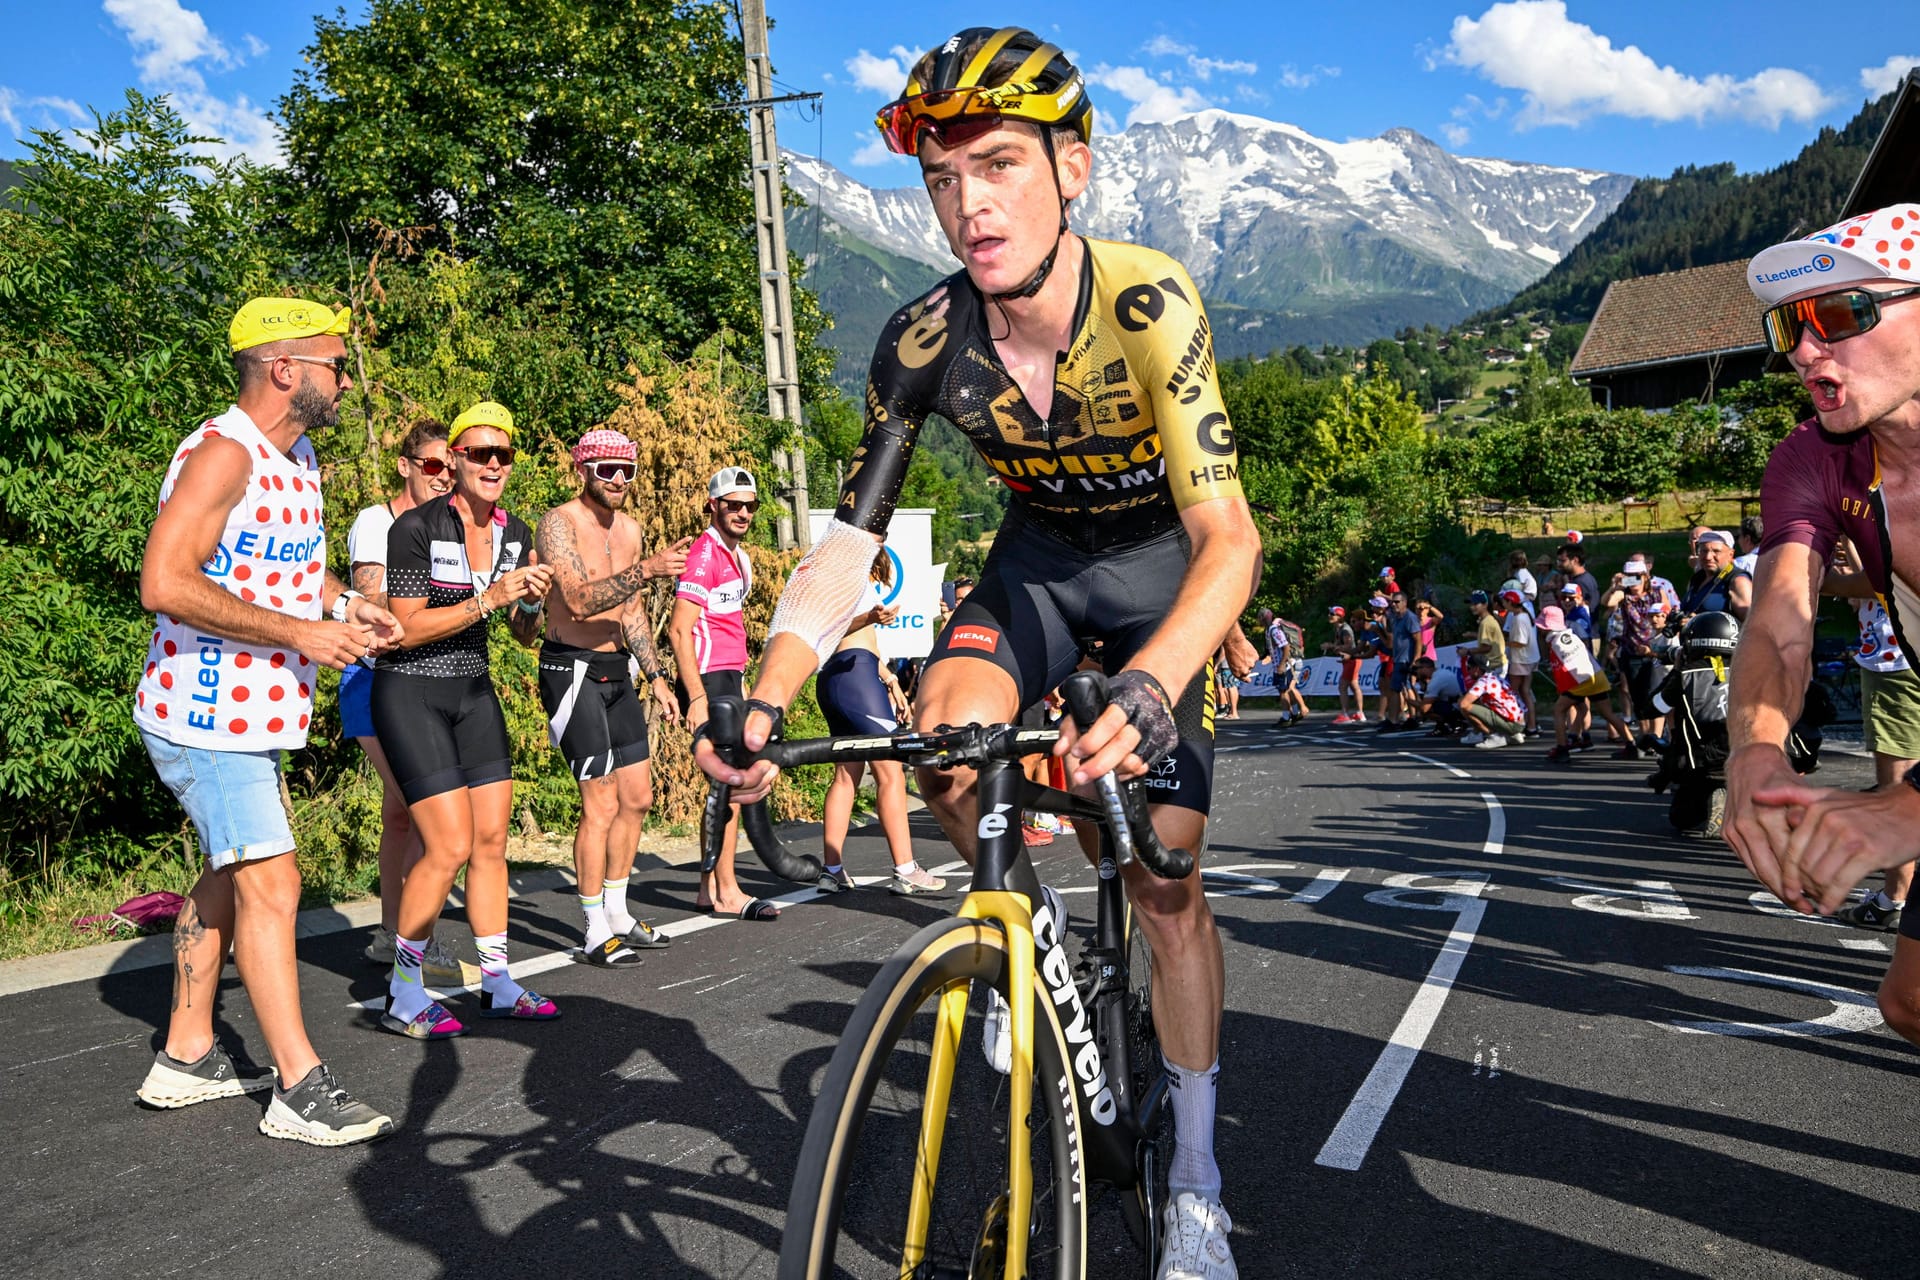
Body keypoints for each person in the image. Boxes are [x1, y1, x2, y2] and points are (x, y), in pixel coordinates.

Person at [695, 28, 1260, 1275]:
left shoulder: (1151, 302)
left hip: (1163, 582)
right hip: (1038, 571)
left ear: (1075, 169)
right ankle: (1024, 929)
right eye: (945, 178)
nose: (969, 203)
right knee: (946, 743)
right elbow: (846, 547)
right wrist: (762, 695)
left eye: (1000, 164)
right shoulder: (919, 339)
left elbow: (1231, 537)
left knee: (1166, 884)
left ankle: (1199, 1184)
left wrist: (1157, 686)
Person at [132, 296, 397, 1144]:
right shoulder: (222, 455)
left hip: (258, 714)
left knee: (231, 872)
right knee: (273, 882)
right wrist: (300, 634)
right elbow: (164, 583)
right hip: (206, 714)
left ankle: (186, 1052)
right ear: (286, 369)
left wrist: (351, 605)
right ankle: (299, 1086)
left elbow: (294, 573)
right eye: (334, 363)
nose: (346, 377)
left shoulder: (301, 453)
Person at [1725, 208, 1920, 1050]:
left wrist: (1908, 810)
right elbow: (1778, 630)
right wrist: (1754, 753)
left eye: (1841, 315)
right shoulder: (1814, 458)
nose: (1805, 352)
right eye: (1788, 327)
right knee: (1910, 1004)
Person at [374, 400, 560, 1038]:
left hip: (473, 691)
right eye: (478, 452)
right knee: (448, 844)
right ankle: (403, 987)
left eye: (502, 455)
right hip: (410, 693)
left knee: (490, 843)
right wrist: (490, 598)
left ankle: (499, 981)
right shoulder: (417, 528)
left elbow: (523, 634)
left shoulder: (516, 531)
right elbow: (401, 630)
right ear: (452, 460)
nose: (492, 464)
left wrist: (532, 607)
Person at [534, 428, 693, 965]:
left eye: (627, 470)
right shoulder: (559, 523)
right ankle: (593, 927)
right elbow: (577, 601)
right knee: (599, 801)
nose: (619, 479)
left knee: (638, 796)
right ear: (583, 471)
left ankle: (620, 912)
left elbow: (631, 610)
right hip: (569, 667)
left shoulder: (630, 529)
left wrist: (657, 678)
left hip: (616, 667)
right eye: (607, 470)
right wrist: (647, 570)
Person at [345, 417, 468, 988]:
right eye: (433, 465)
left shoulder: (449, 524)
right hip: (373, 680)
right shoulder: (376, 522)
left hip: (427, 677)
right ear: (406, 466)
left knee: (402, 811)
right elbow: (379, 604)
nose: (445, 477)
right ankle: (412, 939)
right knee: (420, 805)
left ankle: (392, 933)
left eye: (452, 465)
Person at [671, 465, 780, 920]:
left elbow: (728, 625)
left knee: (722, 786)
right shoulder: (704, 553)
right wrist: (696, 697)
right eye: (732, 504)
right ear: (712, 505)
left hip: (729, 677)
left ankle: (706, 887)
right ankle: (730, 891)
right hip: (709, 680)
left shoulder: (738, 555)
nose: (742, 513)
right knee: (733, 784)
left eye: (749, 506)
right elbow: (680, 630)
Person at [817, 549, 948, 894]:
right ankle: (905, 867)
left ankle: (831, 870)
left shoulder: (842, 571)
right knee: (891, 772)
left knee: (846, 776)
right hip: (854, 675)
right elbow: (832, 628)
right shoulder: (845, 572)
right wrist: (869, 618)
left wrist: (890, 681)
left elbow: (858, 644)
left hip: (840, 677)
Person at [1834, 596, 1917, 929]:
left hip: (1897, 660)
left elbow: (1875, 573)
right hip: (1901, 653)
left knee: (1900, 793)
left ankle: (1896, 898)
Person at [1600, 564, 1667, 750]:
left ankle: (1657, 737)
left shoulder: (1656, 592)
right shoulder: (1624, 595)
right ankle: (1644, 737)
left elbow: (1667, 610)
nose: (1634, 581)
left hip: (1655, 648)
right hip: (1632, 651)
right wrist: (1615, 585)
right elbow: (1607, 602)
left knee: (1656, 693)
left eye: (1637, 576)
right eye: (1630, 576)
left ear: (1645, 576)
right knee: (1638, 697)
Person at [1456, 651, 1526, 749]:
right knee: (1478, 703)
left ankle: (1493, 736)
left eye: (1469, 668)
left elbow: (1464, 704)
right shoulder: (1494, 677)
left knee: (1463, 705)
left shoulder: (1483, 682)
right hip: (1520, 721)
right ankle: (1511, 734)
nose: (1468, 671)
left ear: (1476, 669)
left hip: (1512, 723)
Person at [1679, 530, 1752, 622]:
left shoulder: (1737, 581)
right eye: (1704, 551)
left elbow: (1752, 623)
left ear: (1731, 554)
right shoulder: (1697, 578)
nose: (1708, 557)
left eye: (1716, 551)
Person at [1380, 590, 1423, 731]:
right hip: (1399, 658)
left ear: (1404, 603)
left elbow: (1418, 639)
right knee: (1401, 689)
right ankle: (1406, 718)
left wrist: (1415, 660)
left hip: (1407, 659)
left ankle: (1402, 719)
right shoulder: (1396, 618)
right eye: (1392, 602)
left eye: (1397, 602)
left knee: (1401, 689)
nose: (1394, 604)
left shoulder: (1410, 618)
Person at [1498, 585, 1538, 733]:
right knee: (1525, 692)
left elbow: (1521, 642)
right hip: (1528, 658)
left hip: (1521, 660)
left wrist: (1502, 643)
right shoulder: (1523, 615)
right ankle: (1531, 724)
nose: (1503, 604)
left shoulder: (1520, 618)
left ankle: (1517, 723)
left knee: (1513, 692)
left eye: (1505, 601)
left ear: (1510, 602)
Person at [1260, 607, 1308, 725]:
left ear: (1263, 618)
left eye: (1259, 618)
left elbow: (1285, 647)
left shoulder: (1274, 630)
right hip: (1281, 664)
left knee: (1283, 691)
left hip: (1285, 665)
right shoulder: (1269, 631)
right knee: (1286, 689)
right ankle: (1295, 713)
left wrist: (1281, 665)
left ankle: (1286, 718)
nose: (1258, 621)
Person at [1322, 604, 1364, 724]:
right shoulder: (1338, 629)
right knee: (1354, 685)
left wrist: (1331, 646)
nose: (1329, 616)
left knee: (1343, 686)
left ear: (1339, 616)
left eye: (1332, 614)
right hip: (1348, 660)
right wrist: (1333, 646)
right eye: (1329, 614)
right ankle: (1359, 713)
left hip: (1352, 659)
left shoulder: (1345, 629)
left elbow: (1349, 645)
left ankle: (1345, 714)